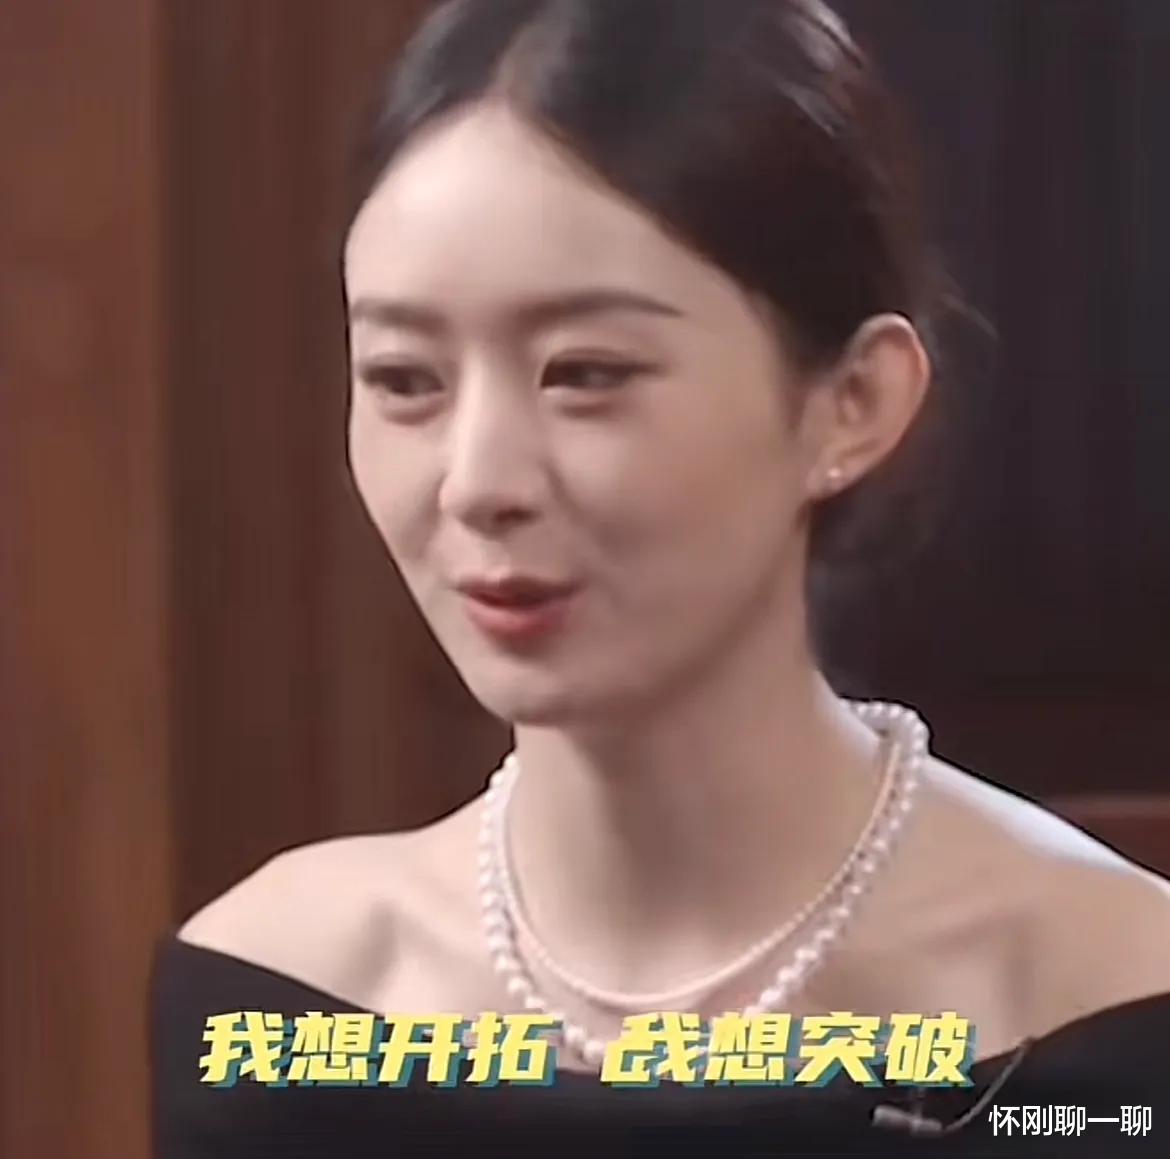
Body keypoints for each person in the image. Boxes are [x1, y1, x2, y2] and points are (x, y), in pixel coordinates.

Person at [152, 1, 1170, 1154]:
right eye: (404, 379)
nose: (478, 483)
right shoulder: (278, 1002)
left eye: (587, 372)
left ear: (853, 402)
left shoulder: (1103, 1011)